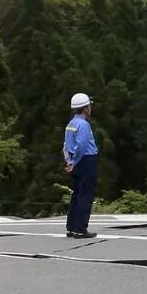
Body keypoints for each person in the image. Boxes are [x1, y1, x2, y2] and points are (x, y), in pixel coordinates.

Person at [62, 91, 100, 238]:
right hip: (85, 160)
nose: (90, 108)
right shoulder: (84, 125)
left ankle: (71, 227)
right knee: (86, 194)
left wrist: (69, 161)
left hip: (73, 160)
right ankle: (81, 228)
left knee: (77, 194)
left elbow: (66, 145)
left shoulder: (71, 124)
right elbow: (82, 146)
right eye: (89, 106)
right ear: (85, 108)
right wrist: (75, 161)